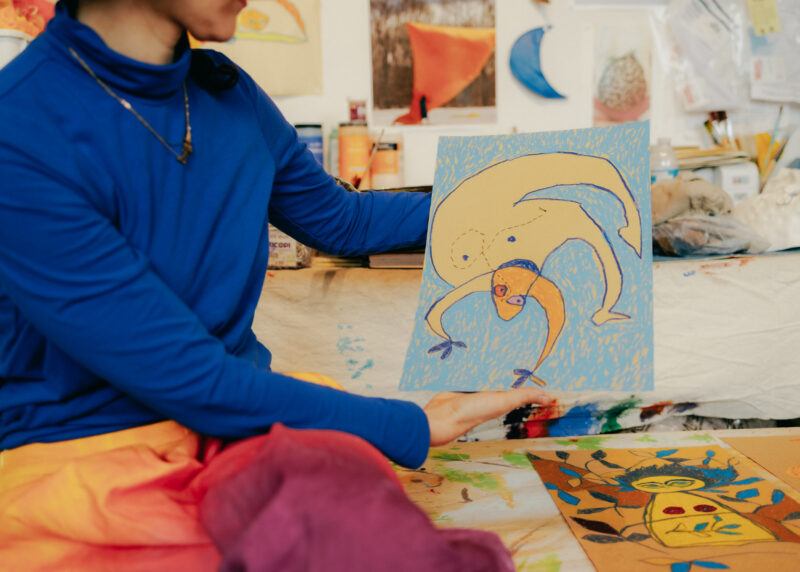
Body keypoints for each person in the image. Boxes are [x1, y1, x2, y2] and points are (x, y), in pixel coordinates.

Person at [0, 0, 552, 569]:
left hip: (247, 429)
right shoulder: (18, 131)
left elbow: (344, 221)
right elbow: (196, 381)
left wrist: (499, 209)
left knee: (376, 542)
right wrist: (415, 423)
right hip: (86, 456)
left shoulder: (228, 93)